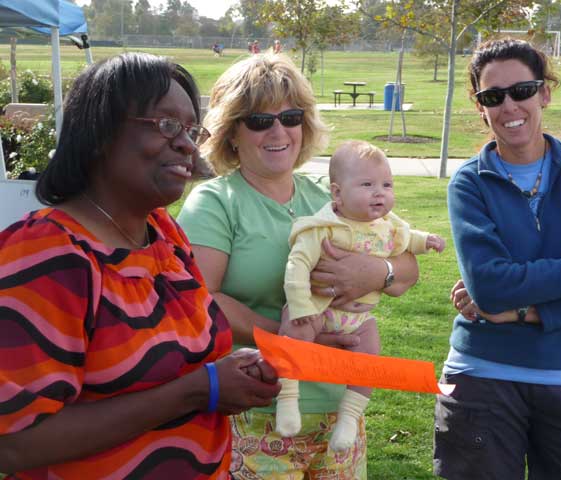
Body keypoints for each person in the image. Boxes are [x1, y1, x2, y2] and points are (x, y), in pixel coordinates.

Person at [0, 52, 282, 479]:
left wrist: (231, 372)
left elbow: (183, 357)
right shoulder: (46, 254)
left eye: (191, 129)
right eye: (166, 125)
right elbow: (16, 444)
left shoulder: (162, 234)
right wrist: (196, 391)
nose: (187, 143)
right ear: (99, 132)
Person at [177, 53, 419, 479]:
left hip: (339, 408)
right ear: (232, 131)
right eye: (258, 120)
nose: (278, 131)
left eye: (290, 116)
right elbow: (200, 301)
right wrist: (295, 342)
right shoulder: (215, 202)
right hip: (257, 406)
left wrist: (375, 272)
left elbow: (406, 268)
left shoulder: (330, 197)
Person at [434, 38, 561, 480]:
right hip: (480, 377)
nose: (509, 106)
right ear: (480, 106)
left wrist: (519, 311)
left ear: (544, 92)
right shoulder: (469, 184)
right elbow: (490, 286)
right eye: (493, 97)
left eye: (521, 91)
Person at [276, 140, 445, 451]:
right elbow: (297, 264)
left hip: (358, 319)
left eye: (387, 184)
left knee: (369, 353)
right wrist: (301, 307)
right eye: (367, 184)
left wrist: (426, 241)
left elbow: (407, 241)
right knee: (293, 333)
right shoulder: (324, 228)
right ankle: (287, 396)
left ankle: (350, 416)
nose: (379, 192)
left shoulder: (387, 228)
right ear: (337, 193)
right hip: (317, 310)